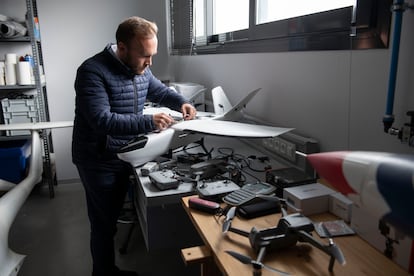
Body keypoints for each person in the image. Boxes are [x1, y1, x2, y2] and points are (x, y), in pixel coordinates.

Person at [72, 16, 197, 276]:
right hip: (98, 158)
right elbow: (101, 120)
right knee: (104, 224)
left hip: (126, 153)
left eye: (153, 55)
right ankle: (103, 272)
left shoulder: (141, 67)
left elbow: (160, 91)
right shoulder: (92, 71)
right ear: (122, 47)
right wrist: (147, 121)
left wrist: (182, 102)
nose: (149, 62)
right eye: (144, 56)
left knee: (113, 215)